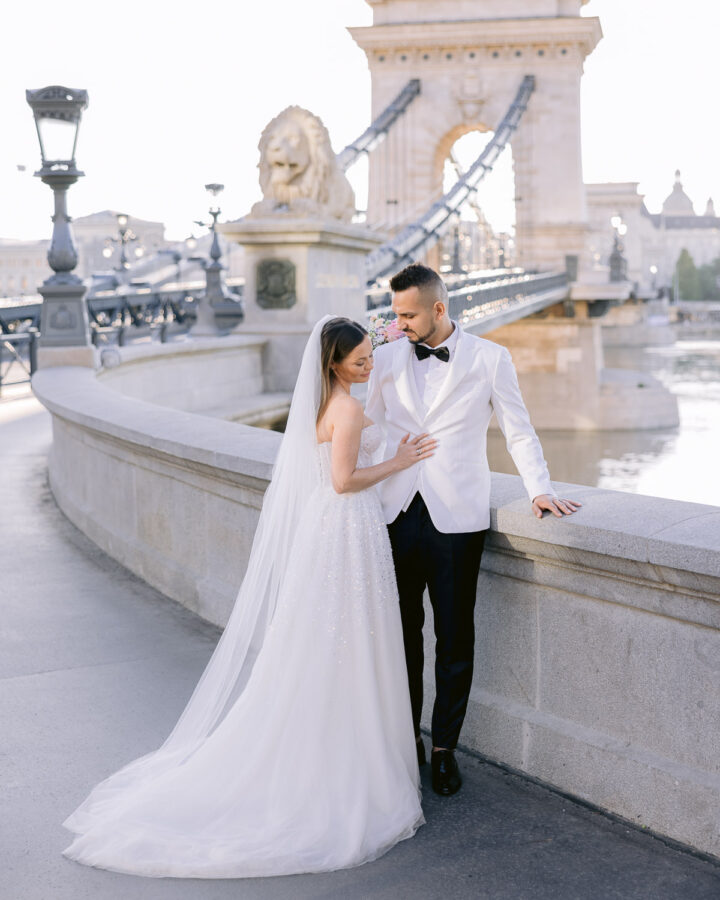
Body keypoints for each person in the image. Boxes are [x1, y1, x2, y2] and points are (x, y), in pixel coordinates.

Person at [62, 316, 436, 879]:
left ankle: (326, 748)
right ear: (334, 363)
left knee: (321, 644)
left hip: (324, 532)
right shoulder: (350, 409)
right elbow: (344, 480)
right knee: (352, 641)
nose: (368, 366)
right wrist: (400, 462)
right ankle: (347, 763)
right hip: (348, 527)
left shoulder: (317, 403)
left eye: (369, 356)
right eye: (359, 360)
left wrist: (386, 344)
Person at [366, 263, 581, 797]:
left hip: (457, 518)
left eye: (409, 314)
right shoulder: (386, 357)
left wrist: (538, 488)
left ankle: (443, 750)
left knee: (455, 638)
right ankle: (404, 739)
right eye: (395, 315)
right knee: (400, 638)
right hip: (393, 513)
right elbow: (366, 425)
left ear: (439, 309)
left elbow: (517, 427)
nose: (400, 324)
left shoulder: (491, 358)